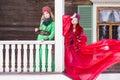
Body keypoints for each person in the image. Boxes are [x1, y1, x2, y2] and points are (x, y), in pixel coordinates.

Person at [63, 13, 120, 80]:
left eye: (75, 20)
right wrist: (70, 17)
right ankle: (71, 72)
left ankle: (76, 73)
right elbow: (64, 19)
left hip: (76, 49)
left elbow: (84, 38)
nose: (73, 21)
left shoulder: (80, 29)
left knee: (77, 62)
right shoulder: (68, 27)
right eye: (73, 20)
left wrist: (78, 40)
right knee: (70, 62)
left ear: (77, 21)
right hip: (69, 49)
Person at [34, 6, 55, 72]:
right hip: (39, 38)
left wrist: (47, 38)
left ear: (50, 13)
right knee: (38, 53)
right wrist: (38, 30)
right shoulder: (42, 21)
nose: (46, 15)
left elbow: (53, 33)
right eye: (44, 14)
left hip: (46, 39)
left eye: (47, 13)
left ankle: (47, 69)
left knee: (45, 53)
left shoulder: (53, 23)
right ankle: (38, 69)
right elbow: (41, 31)